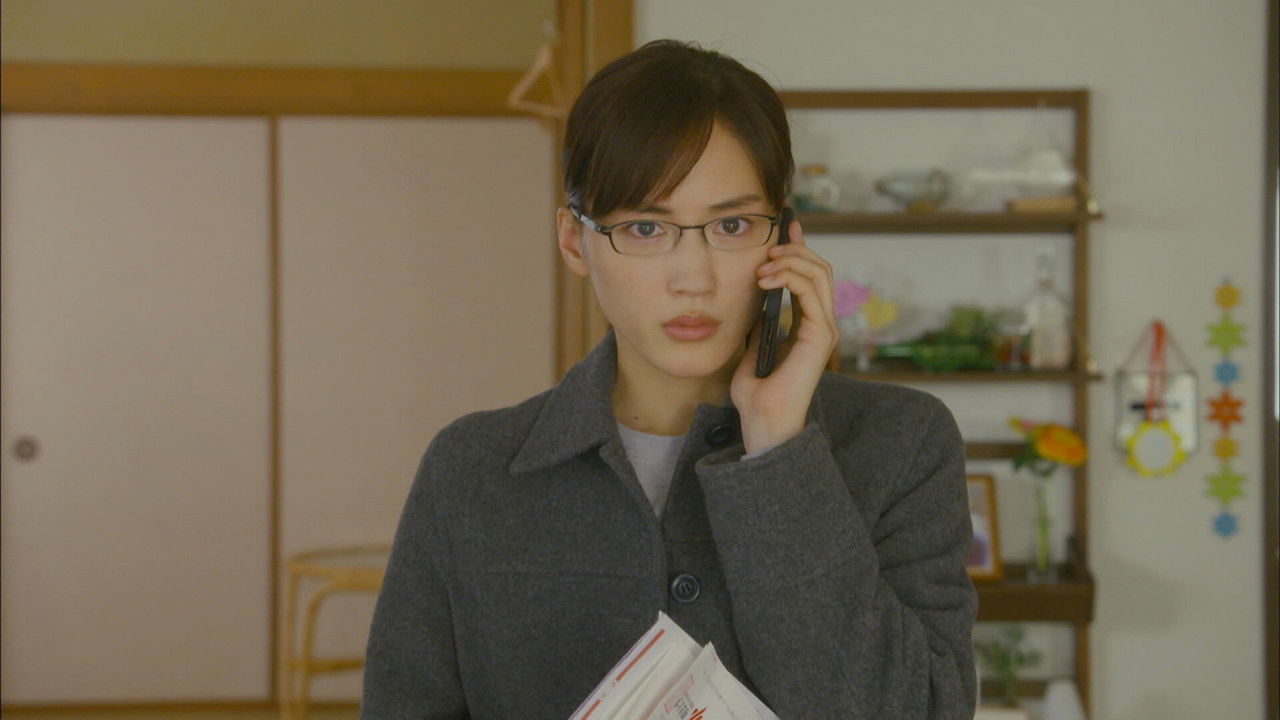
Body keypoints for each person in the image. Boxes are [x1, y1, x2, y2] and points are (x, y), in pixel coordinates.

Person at [362, 39, 977, 719]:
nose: (693, 279)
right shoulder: (471, 470)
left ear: (785, 238)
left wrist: (778, 447)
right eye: (646, 228)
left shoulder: (901, 442)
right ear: (573, 240)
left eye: (732, 225)